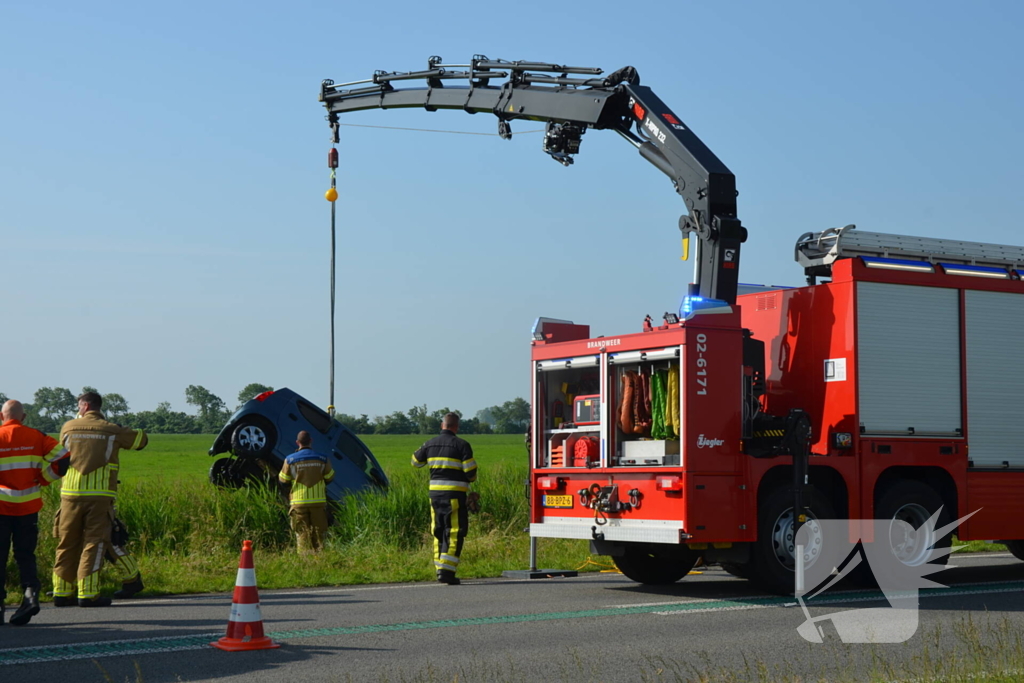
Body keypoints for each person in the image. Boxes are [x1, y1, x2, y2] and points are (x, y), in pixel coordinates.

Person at [52, 391, 148, 607]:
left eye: (79, 404)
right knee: (94, 543)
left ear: (85, 405)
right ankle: (88, 593)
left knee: (66, 542)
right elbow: (141, 440)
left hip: (69, 494)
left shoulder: (68, 427)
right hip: (99, 495)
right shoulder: (110, 429)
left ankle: (61, 592)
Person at [0, 399, 68, 625]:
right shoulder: (37, 436)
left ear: (2, 417)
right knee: (25, 555)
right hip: (28, 507)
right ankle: (30, 596)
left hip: (1, 507)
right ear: (24, 417)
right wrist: (43, 479)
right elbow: (64, 458)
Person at [412, 412, 477, 585]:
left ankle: (439, 568)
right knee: (454, 531)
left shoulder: (430, 443)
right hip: (454, 495)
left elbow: (415, 462)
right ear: (456, 427)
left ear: (442, 425)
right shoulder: (462, 445)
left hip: (434, 495)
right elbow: (471, 474)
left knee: (438, 531)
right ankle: (447, 572)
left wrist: (427, 449)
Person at [277, 430, 334, 552]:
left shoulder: (290, 460)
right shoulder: (322, 458)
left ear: (297, 442)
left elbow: (283, 480)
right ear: (311, 441)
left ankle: (304, 561)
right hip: (318, 503)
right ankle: (321, 559)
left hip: (298, 503)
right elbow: (329, 478)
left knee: (302, 534)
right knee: (320, 535)